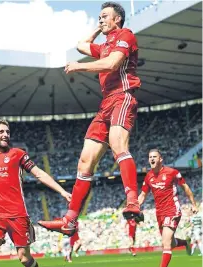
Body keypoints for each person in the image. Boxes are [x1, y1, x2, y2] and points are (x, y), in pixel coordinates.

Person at [38, 1, 142, 236]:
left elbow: (112, 63)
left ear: (118, 19)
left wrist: (79, 67)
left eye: (105, 17)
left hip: (122, 97)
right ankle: (70, 221)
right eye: (99, 17)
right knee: (84, 162)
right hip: (105, 105)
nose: (101, 19)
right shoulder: (105, 44)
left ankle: (132, 200)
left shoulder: (126, 35)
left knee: (118, 145)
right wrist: (98, 29)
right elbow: (81, 45)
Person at [0, 119, 71, 267]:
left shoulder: (18, 154)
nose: (5, 135)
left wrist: (61, 191)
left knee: (24, 258)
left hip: (17, 214)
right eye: (1, 132)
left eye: (7, 132)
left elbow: (39, 174)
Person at [138, 149, 198, 267]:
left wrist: (194, 204)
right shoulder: (148, 176)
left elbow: (185, 187)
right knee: (171, 244)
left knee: (165, 243)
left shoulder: (172, 172)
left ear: (161, 159)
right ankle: (185, 242)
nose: (152, 159)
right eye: (150, 157)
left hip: (172, 209)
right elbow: (143, 195)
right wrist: (135, 206)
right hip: (159, 212)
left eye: (154, 156)